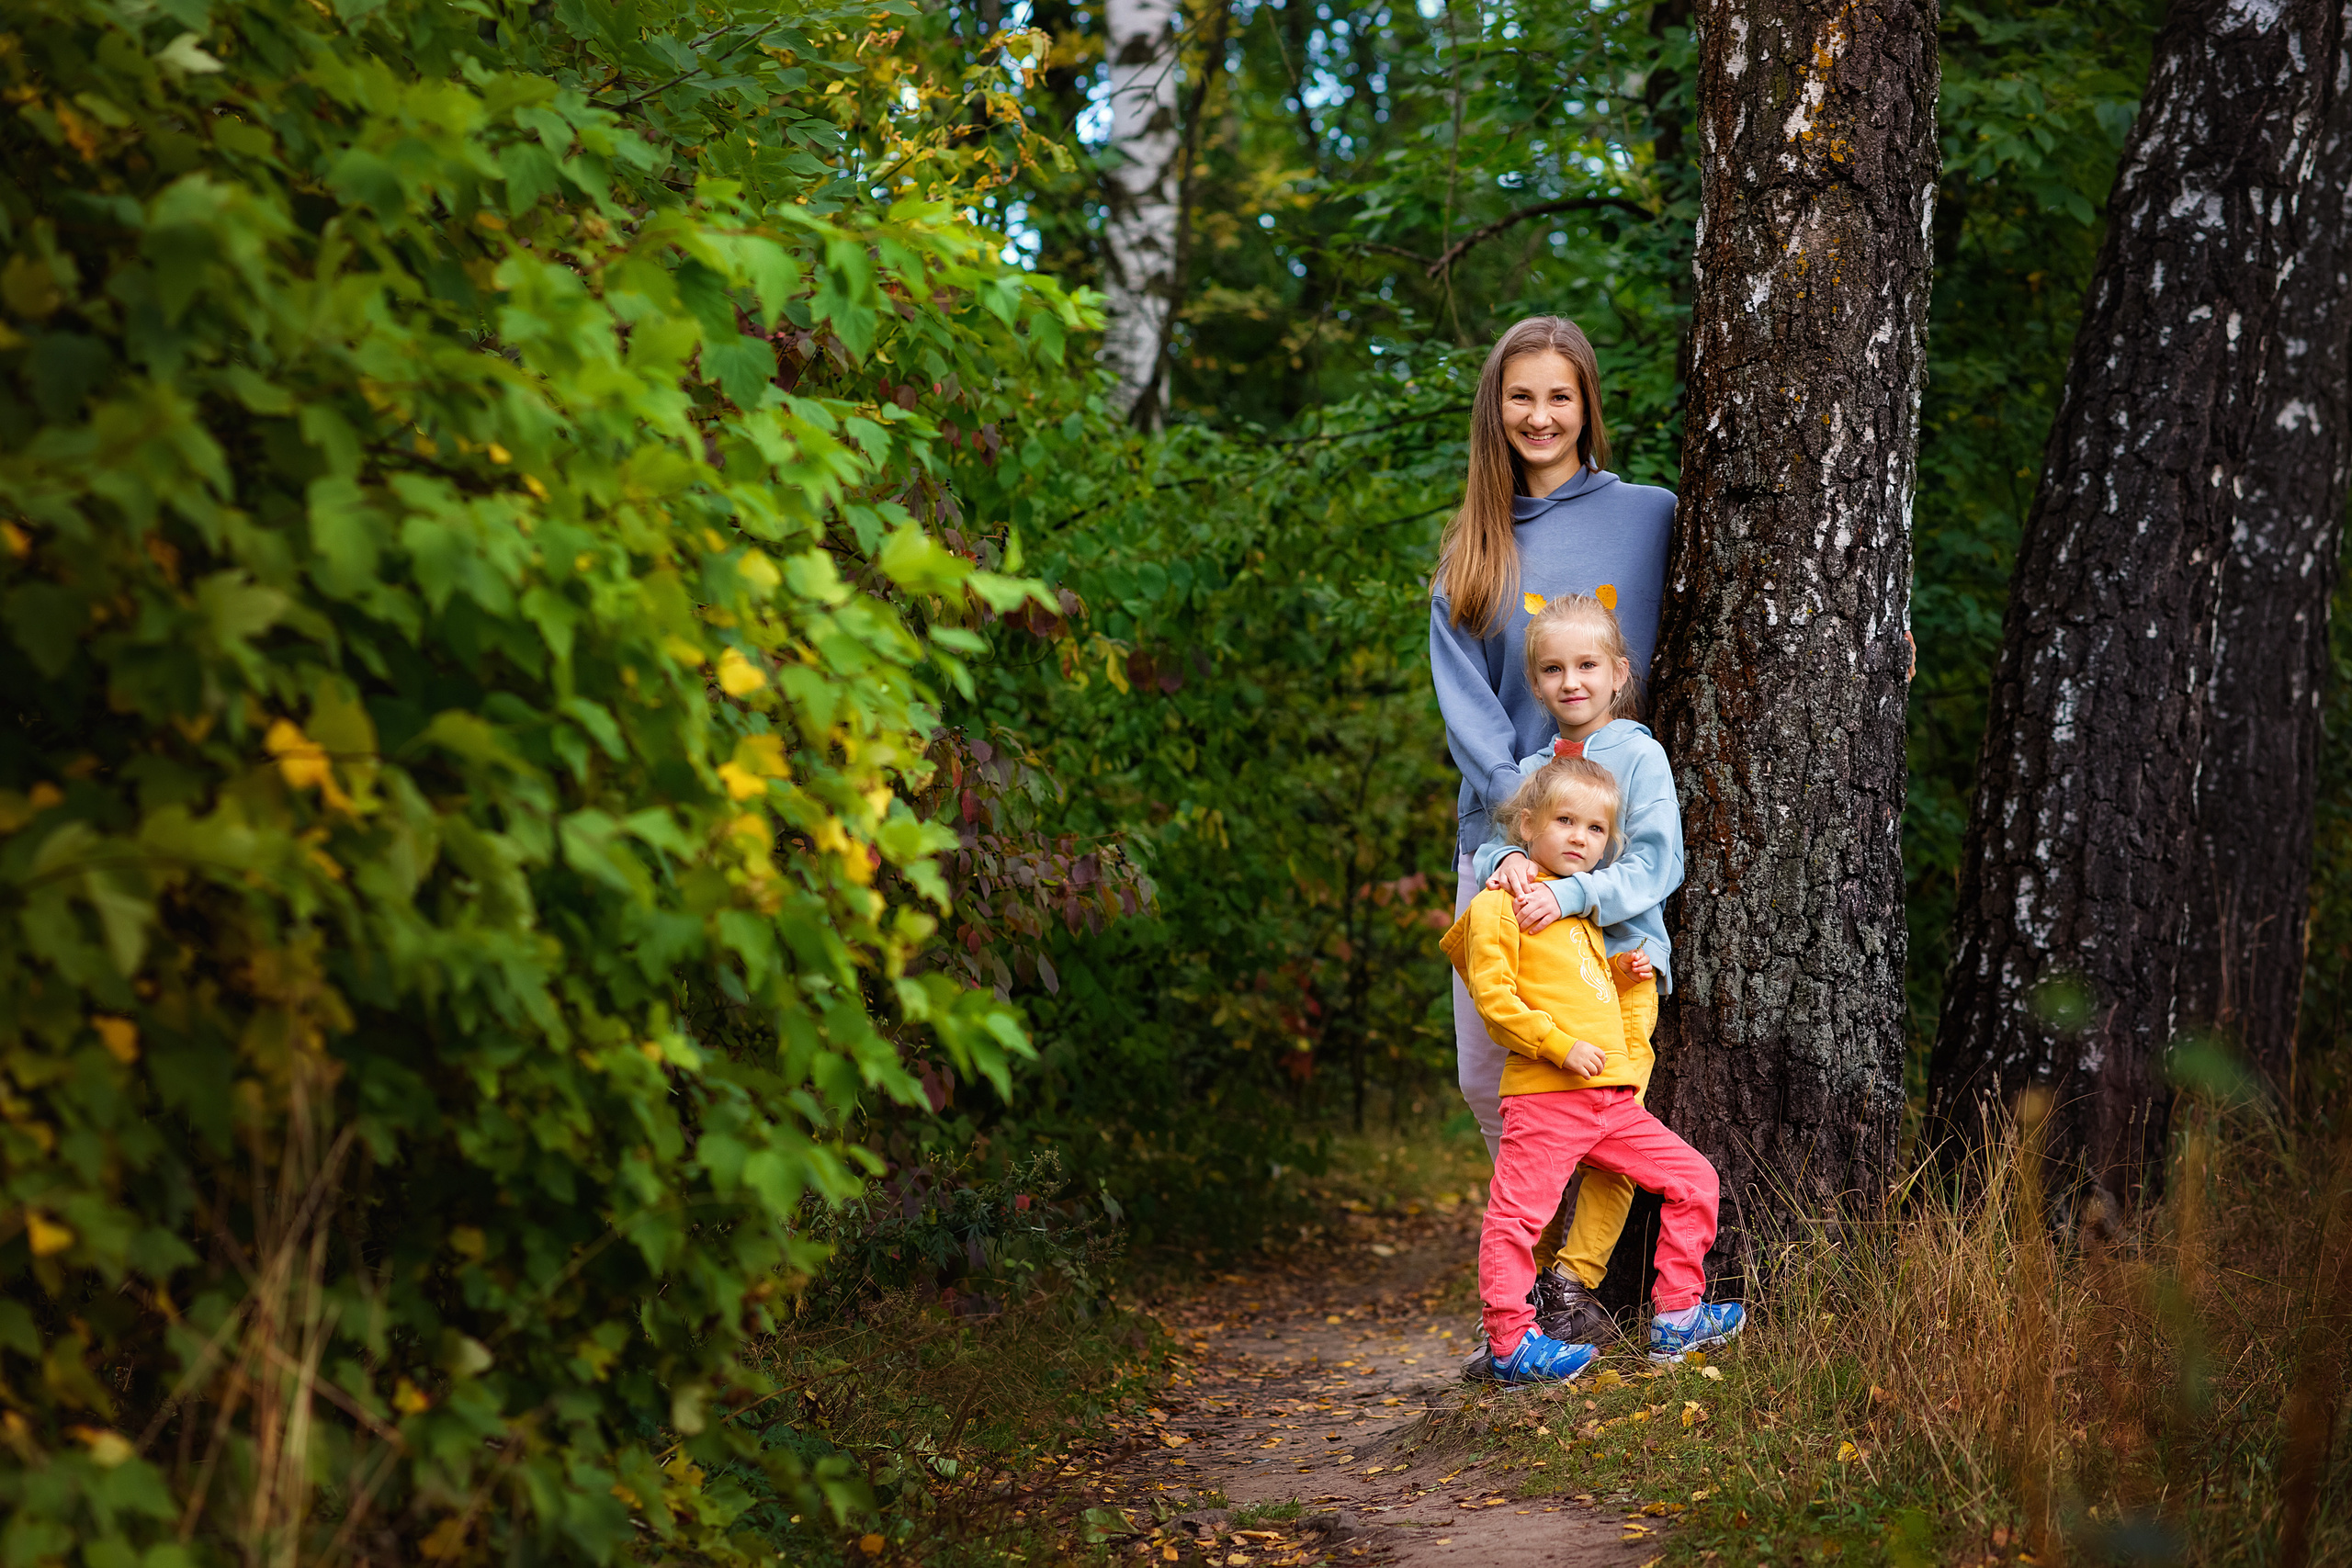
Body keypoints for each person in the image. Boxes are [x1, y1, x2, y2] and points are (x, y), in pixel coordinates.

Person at [1429, 316, 1677, 1338]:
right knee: (1488, 1071)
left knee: (1608, 1056)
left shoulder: (1651, 515)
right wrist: (1521, 834)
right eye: (1518, 396)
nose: (1538, 415)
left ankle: (1569, 1284)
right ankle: (1536, 1244)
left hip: (1610, 846)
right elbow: (1471, 717)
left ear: (1587, 407)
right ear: (1496, 408)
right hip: (1501, 847)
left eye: (1558, 396)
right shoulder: (1470, 550)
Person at [1440, 757, 1742, 1382]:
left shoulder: (1578, 913)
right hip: (1548, 1095)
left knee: (1694, 1180)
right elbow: (1497, 1002)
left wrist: (1619, 975)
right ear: (1528, 825)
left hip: (1610, 1105)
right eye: (1565, 820)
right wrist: (1558, 1046)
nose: (1580, 836)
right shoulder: (1503, 903)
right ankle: (1508, 1341)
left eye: (1596, 829)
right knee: (1516, 1217)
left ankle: (1677, 1315)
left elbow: (1571, 988)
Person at [1461, 592, 1684, 1353]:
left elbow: (1659, 862)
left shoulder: (1637, 754)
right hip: (1555, 991)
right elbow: (1495, 845)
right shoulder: (1533, 769)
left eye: (1587, 664)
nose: (1571, 682)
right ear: (1535, 682)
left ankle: (1571, 1279)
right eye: (1552, 669)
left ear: (1618, 672)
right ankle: (1521, 1306)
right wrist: (1510, 858)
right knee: (1554, 1138)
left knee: (1619, 1140)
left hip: (1623, 980)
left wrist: (1571, 891)